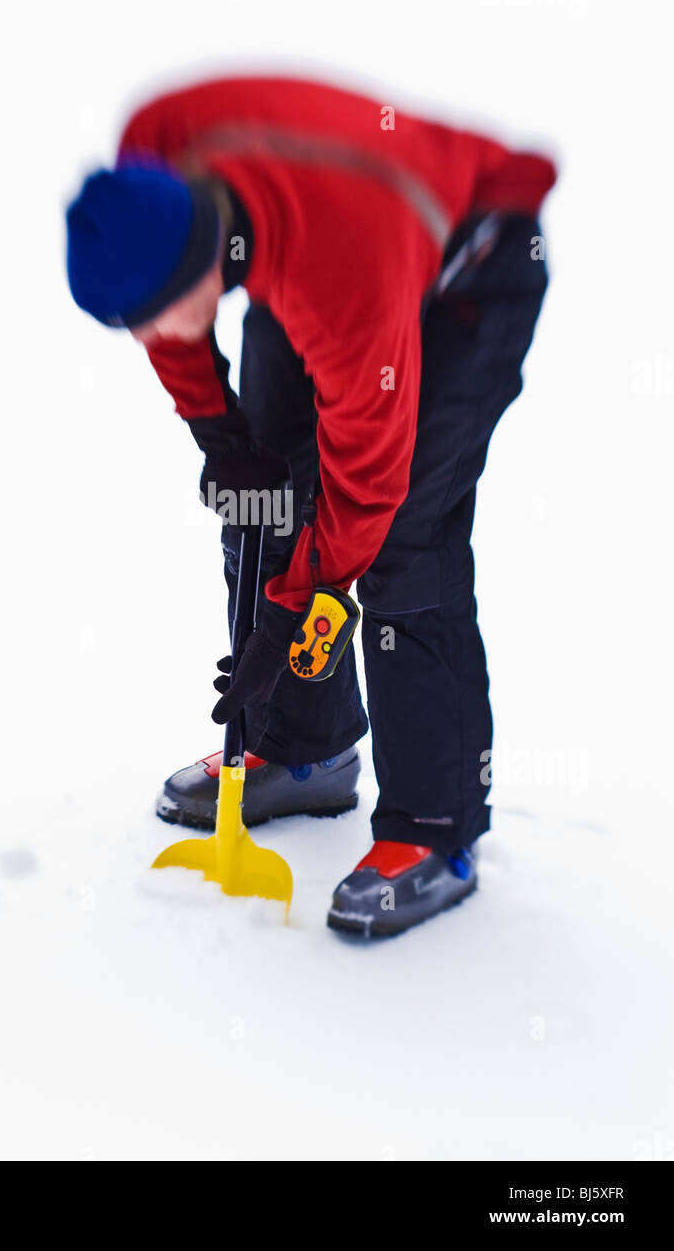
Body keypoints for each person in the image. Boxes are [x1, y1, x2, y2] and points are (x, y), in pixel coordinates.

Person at [65, 73, 556, 938]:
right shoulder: (154, 163)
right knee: (267, 497)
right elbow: (172, 319)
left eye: (155, 318)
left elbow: (367, 487)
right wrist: (221, 434)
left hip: (471, 259)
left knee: (405, 528)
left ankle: (435, 829)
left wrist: (291, 618)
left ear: (206, 261)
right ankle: (303, 747)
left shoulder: (345, 277)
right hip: (322, 235)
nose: (151, 341)